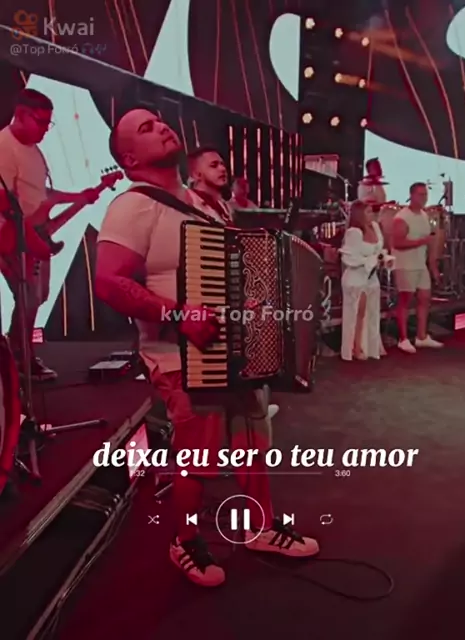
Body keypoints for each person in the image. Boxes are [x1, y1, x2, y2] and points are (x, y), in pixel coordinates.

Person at [95, 108, 319, 588]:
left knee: (252, 440)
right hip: (178, 354)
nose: (161, 126)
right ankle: (185, 541)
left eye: (159, 120)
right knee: (199, 456)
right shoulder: (133, 206)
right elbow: (109, 282)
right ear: (129, 158)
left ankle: (260, 527)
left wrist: (253, 305)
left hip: (232, 346)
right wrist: (178, 315)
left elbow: (229, 274)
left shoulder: (206, 205)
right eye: (146, 128)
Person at [0, 88, 98, 380]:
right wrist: (30, 239)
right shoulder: (4, 147)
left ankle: (18, 352)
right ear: (20, 115)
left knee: (35, 297)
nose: (45, 129)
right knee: (29, 296)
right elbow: (4, 202)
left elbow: (41, 193)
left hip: (35, 234)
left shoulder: (33, 149)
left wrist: (78, 197)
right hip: (16, 236)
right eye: (41, 122)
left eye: (48, 123)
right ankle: (22, 357)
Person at [188, 147, 280, 421]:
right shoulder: (189, 204)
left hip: (230, 296)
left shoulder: (225, 207)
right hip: (207, 298)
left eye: (223, 164)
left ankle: (256, 410)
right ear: (196, 174)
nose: (222, 168)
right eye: (213, 165)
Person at [391, 182, 442, 353]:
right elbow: (397, 243)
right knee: (405, 300)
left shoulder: (424, 215)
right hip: (405, 264)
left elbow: (428, 241)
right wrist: (421, 242)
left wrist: (432, 265)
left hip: (420, 264)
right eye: (420, 194)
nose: (424, 198)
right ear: (411, 195)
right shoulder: (402, 217)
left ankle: (421, 336)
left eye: (425, 194)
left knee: (425, 298)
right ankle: (403, 339)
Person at [340, 201, 394, 361]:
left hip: (371, 277)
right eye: (368, 212)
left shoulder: (375, 227)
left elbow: (379, 251)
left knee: (371, 313)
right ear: (359, 215)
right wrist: (372, 260)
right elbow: (350, 258)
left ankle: (370, 347)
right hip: (356, 278)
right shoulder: (354, 233)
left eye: (372, 212)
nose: (372, 215)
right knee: (359, 313)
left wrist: (384, 259)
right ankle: (355, 348)